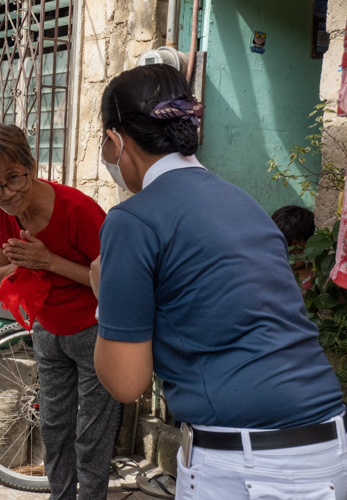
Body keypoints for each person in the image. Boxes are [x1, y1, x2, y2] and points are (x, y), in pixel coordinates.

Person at [91, 64, 347, 499]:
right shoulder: (241, 201)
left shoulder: (134, 219)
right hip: (327, 446)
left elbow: (126, 383)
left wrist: (105, 296)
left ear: (117, 140)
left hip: (246, 463)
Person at [0, 122, 121, 500]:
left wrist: (49, 261)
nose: (6, 193)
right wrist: (25, 264)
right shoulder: (0, 215)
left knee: (92, 431)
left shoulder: (79, 211)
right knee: (53, 424)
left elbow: (113, 286)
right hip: (46, 329)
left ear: (31, 165)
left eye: (14, 178)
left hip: (93, 331)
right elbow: (0, 272)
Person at [272, 205, 315, 295]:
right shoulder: (271, 271)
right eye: (282, 250)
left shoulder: (316, 275)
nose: (288, 257)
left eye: (296, 252)